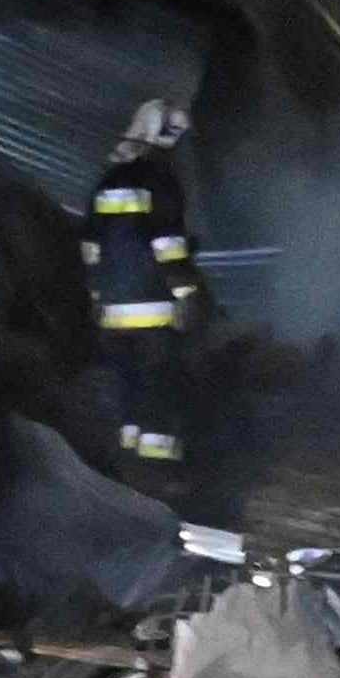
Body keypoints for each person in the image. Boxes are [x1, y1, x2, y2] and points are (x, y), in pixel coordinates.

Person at [85, 95, 213, 480]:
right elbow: (167, 245)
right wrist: (187, 294)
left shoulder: (109, 180)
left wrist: (96, 296)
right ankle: (155, 477)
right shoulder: (161, 181)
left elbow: (92, 246)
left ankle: (123, 472)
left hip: (112, 314)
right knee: (157, 398)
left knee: (126, 398)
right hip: (154, 315)